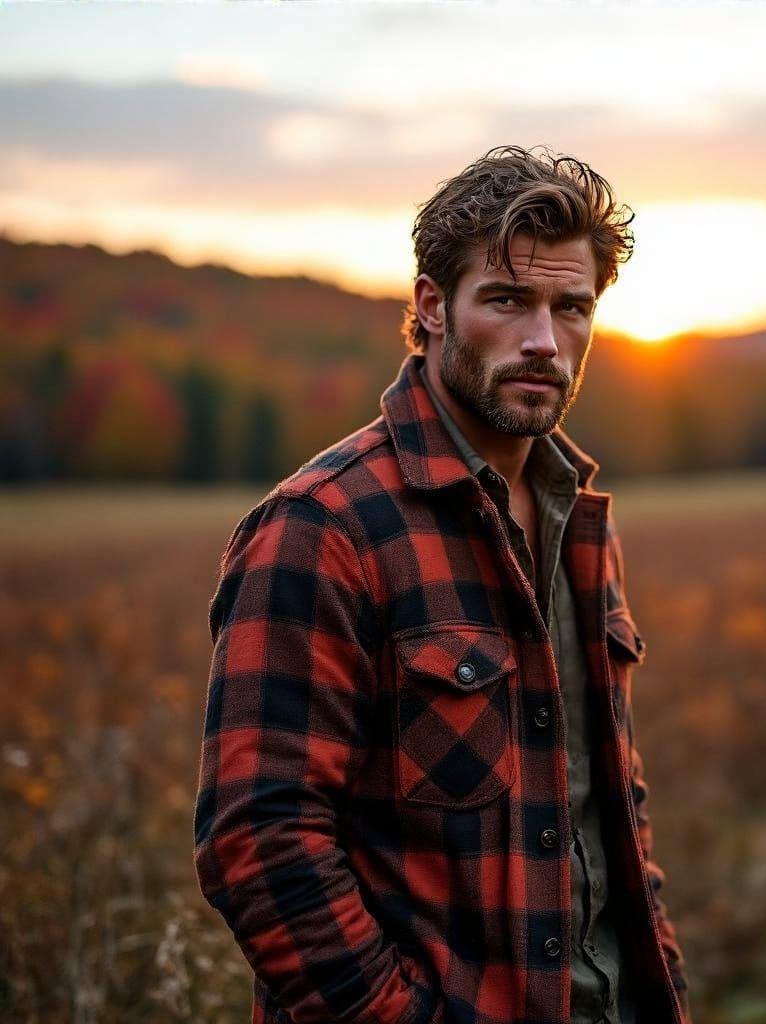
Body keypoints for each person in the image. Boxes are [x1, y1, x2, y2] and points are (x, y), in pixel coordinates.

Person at [194, 145, 691, 1024]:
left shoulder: (577, 517)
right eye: (507, 300)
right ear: (431, 307)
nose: (544, 340)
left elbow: (604, 795)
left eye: (571, 308)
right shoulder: (324, 527)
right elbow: (259, 844)